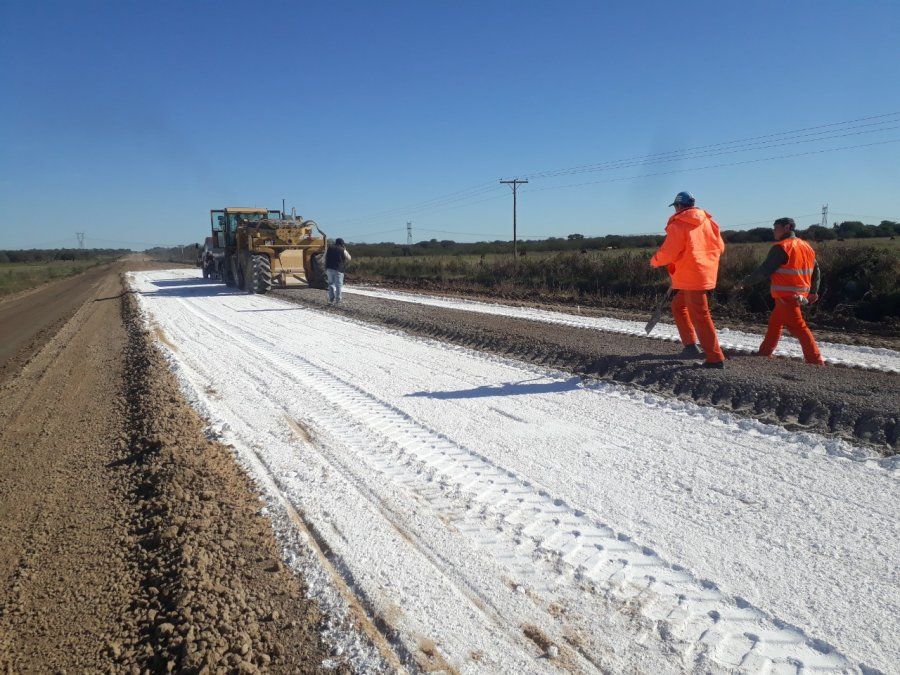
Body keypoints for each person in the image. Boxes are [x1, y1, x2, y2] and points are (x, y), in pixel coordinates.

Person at [650, 191, 727, 368]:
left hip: (691, 277)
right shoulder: (710, 222)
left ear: (678, 206)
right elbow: (720, 247)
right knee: (678, 306)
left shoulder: (679, 224)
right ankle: (690, 346)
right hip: (702, 274)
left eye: (675, 206)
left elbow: (669, 252)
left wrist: (654, 262)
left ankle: (715, 358)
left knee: (700, 315)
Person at [737, 217, 824, 365]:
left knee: (799, 328)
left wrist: (744, 282)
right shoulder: (806, 246)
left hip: (786, 296)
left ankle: (815, 361)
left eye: (776, 227)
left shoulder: (782, 247)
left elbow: (764, 271)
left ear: (787, 227)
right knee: (775, 323)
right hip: (799, 295)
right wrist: (814, 291)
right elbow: (816, 271)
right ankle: (765, 352)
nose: (773, 230)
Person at [324, 237, 351, 305]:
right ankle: (338, 300)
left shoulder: (329, 248)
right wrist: (344, 250)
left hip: (329, 269)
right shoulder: (342, 250)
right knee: (338, 285)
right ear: (342, 244)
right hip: (338, 269)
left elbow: (324, 257)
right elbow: (349, 258)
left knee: (331, 284)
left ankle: (331, 299)